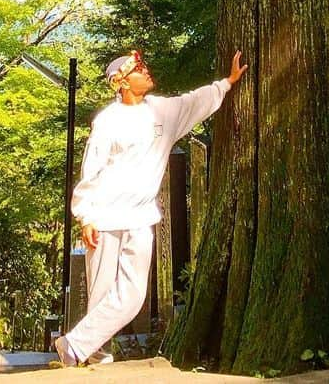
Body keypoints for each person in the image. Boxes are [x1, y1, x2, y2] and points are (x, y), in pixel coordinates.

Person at [53, 48, 248, 367]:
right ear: (122, 83)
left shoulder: (163, 111)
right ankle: (93, 351)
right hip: (103, 214)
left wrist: (226, 82)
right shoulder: (108, 121)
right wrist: (85, 215)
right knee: (100, 291)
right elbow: (92, 168)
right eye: (139, 69)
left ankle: (73, 344)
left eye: (144, 66)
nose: (146, 71)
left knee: (132, 295)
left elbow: (193, 101)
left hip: (141, 216)